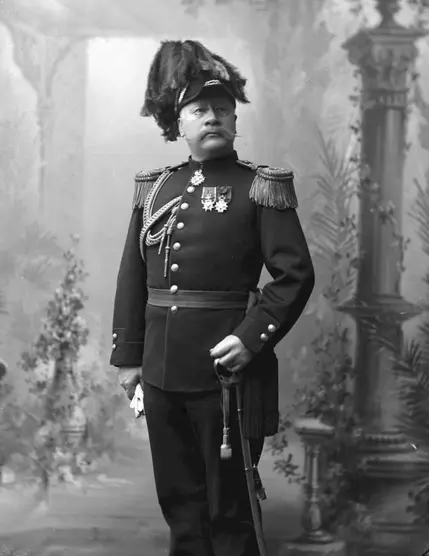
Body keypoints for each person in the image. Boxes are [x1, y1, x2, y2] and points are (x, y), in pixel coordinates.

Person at [110, 39, 315, 556]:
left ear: (234, 120)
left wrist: (250, 339)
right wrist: (129, 358)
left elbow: (294, 275)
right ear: (178, 124)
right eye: (200, 110)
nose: (213, 117)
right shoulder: (156, 189)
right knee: (180, 506)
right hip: (160, 372)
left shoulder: (260, 187)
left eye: (222, 109)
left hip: (226, 376)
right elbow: (133, 277)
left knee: (230, 511)